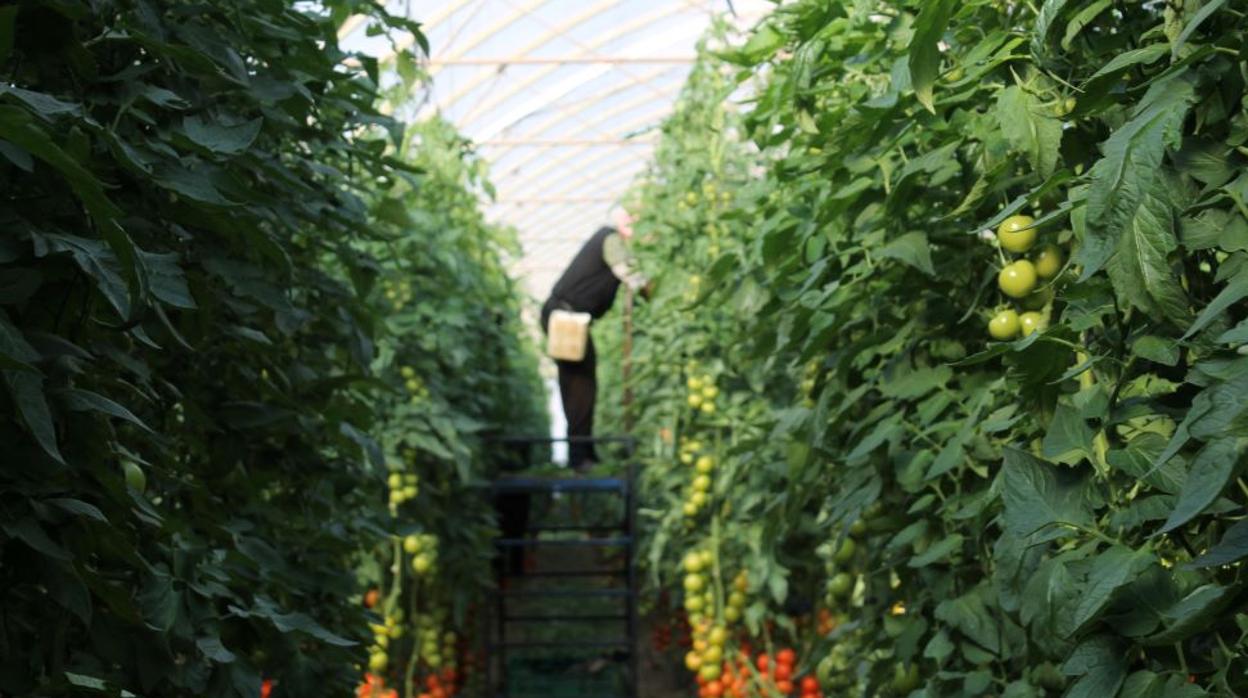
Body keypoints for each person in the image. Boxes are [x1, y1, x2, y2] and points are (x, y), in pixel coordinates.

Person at [541, 208, 648, 471]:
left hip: (568, 319)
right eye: (634, 218)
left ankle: (583, 452)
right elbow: (627, 271)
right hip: (566, 319)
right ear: (623, 220)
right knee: (580, 385)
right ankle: (580, 458)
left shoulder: (608, 238)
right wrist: (649, 289)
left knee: (580, 383)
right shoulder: (609, 237)